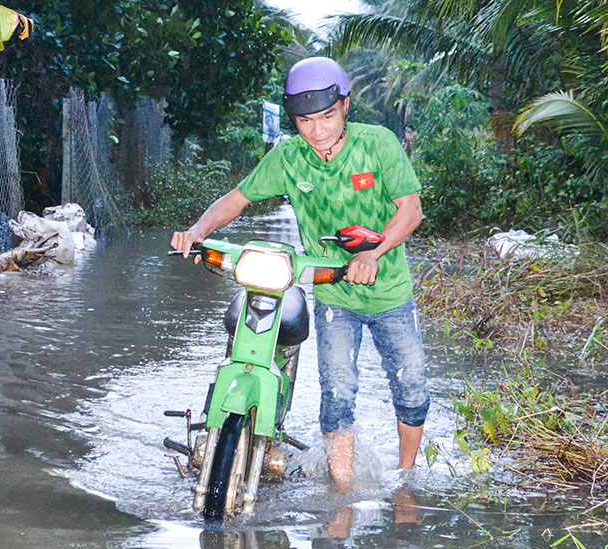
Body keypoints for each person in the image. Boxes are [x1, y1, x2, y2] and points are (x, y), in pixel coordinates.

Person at [170, 56, 429, 492]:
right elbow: (237, 199)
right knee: (338, 393)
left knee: (411, 384)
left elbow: (411, 210)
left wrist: (374, 254)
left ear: (345, 106)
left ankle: (406, 481)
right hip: (333, 293)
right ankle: (342, 494)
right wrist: (197, 231)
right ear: (294, 121)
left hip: (390, 293)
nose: (318, 129)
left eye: (327, 115)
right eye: (306, 120)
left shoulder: (379, 145)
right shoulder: (288, 157)